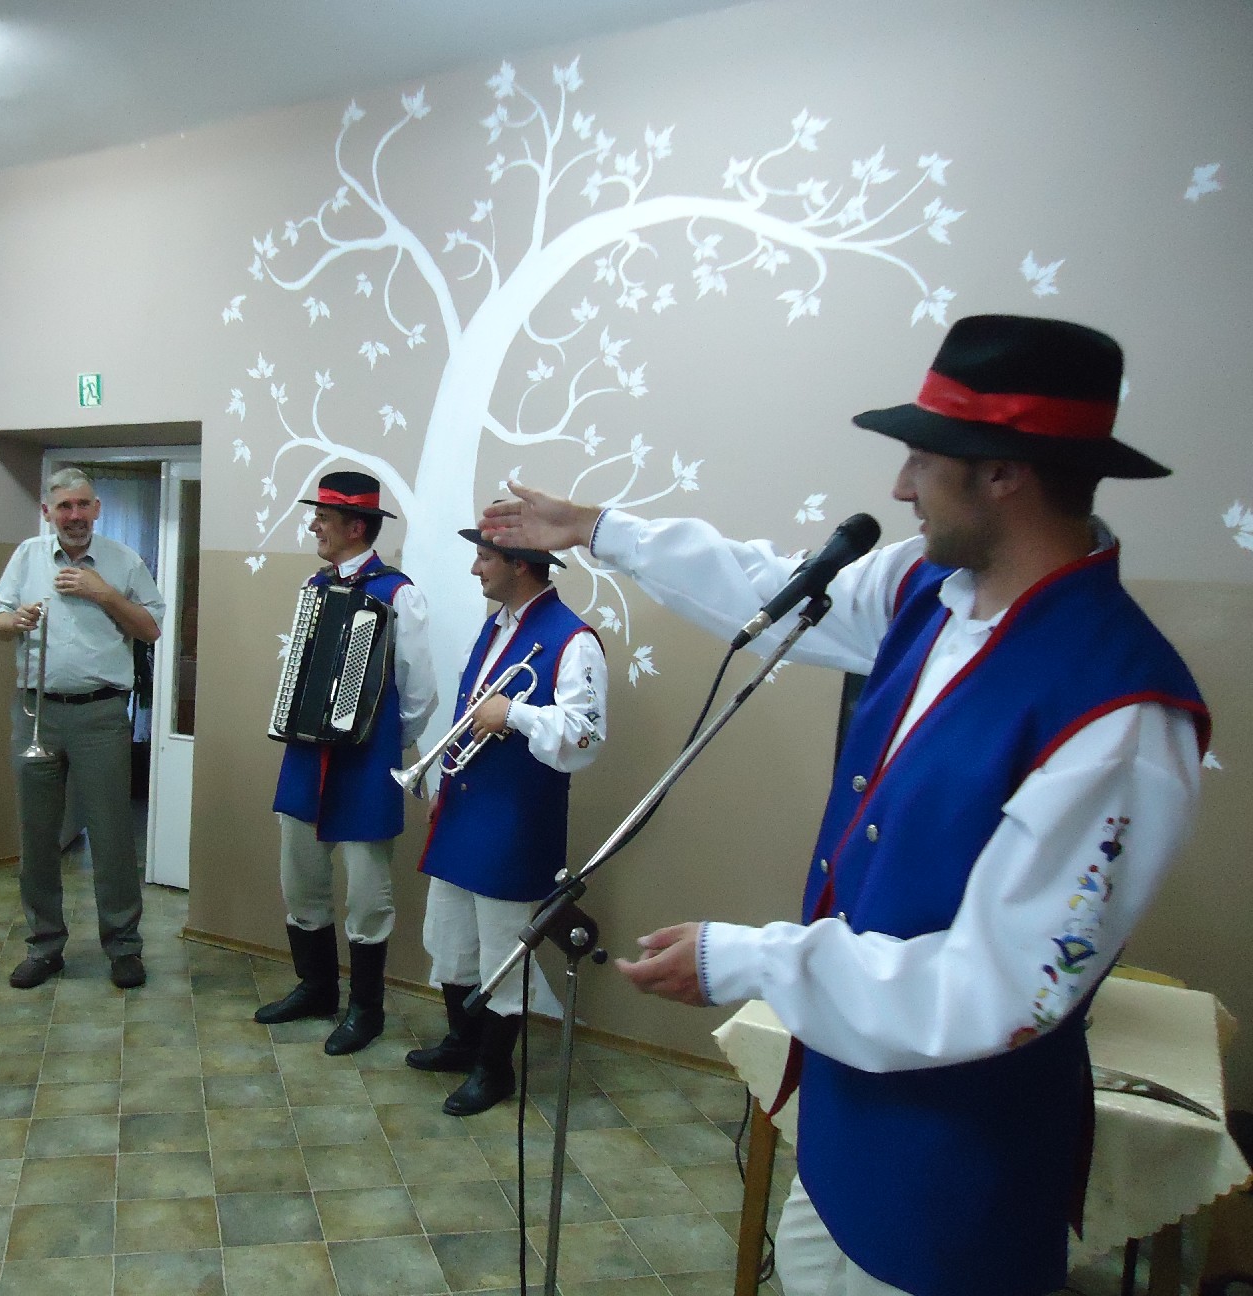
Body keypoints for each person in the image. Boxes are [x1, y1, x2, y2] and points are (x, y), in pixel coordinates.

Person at [482, 315, 1210, 1296]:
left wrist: (753, 959)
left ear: (1004, 472)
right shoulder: (929, 588)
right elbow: (773, 585)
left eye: (923, 460)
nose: (901, 487)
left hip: (955, 1169)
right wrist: (597, 530)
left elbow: (996, 990)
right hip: (846, 1114)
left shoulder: (1121, 714)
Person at [408, 523, 605, 1116]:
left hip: (516, 818)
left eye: (485, 558)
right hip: (466, 806)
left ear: (519, 563)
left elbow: (586, 736)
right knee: (448, 938)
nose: (476, 569)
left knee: (501, 952)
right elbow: (471, 716)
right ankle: (463, 1043)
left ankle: (494, 1070)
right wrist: (444, 786)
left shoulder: (574, 639)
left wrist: (516, 714)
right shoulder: (497, 626)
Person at [256, 470, 438, 1055]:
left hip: (365, 765)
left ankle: (366, 1009)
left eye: (324, 518)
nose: (314, 526)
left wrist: (383, 740)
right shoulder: (314, 586)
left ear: (355, 527)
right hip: (306, 757)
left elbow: (419, 692)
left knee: (367, 894)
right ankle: (315, 988)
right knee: (300, 879)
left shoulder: (398, 593)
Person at [0, 467, 164, 991]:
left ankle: (124, 947)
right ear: (48, 512)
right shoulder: (26, 557)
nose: (75, 515)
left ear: (97, 509)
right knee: (37, 836)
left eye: (84, 505)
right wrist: (14, 620)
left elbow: (151, 629)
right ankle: (44, 946)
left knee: (111, 835)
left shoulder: (123, 561)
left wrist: (103, 593)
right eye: (64, 506)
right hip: (36, 713)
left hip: (100, 715)